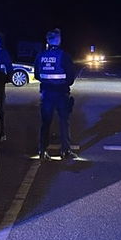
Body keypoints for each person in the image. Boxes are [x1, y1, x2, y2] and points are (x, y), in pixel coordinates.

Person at [33, 28, 77, 161]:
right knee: (64, 122)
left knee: (45, 123)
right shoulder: (64, 56)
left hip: (46, 93)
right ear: (58, 40)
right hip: (61, 93)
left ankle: (42, 150)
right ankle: (65, 150)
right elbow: (70, 77)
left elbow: (37, 75)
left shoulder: (40, 56)